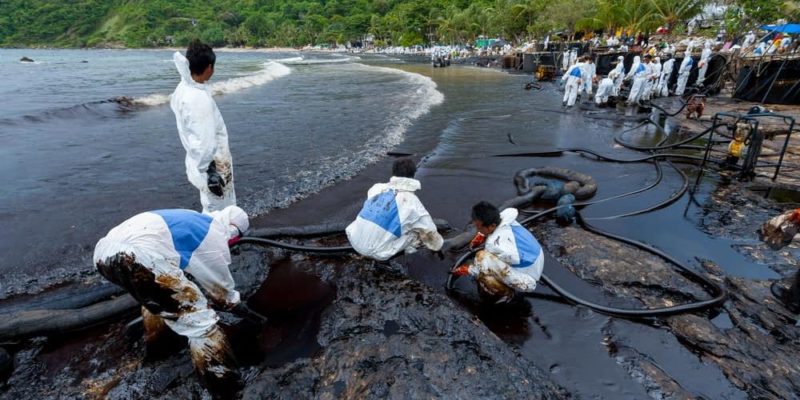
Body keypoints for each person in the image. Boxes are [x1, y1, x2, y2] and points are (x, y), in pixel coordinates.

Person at [93, 206, 251, 399]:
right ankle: (223, 387)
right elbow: (220, 287)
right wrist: (235, 304)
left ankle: (159, 347)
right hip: (138, 256)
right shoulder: (213, 233)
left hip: (103, 253)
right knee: (202, 324)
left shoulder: (191, 218)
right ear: (234, 230)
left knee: (155, 298)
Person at [170, 41, 236, 214]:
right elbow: (204, 142)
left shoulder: (184, 88)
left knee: (212, 205)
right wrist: (209, 171)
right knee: (219, 209)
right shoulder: (198, 99)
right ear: (208, 68)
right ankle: (223, 239)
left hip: (198, 161)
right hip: (213, 166)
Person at [346, 158, 443, 262]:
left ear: (393, 173)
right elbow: (430, 234)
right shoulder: (414, 204)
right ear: (413, 175)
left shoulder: (376, 188)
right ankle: (405, 253)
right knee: (417, 232)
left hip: (353, 237)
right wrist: (438, 248)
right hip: (377, 253)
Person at [452, 202, 544, 303]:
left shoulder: (495, 245)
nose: (477, 229)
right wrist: (482, 235)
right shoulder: (505, 217)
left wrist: (468, 269)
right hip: (537, 258)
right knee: (487, 260)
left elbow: (485, 266)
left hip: (527, 280)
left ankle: (506, 295)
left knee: (483, 262)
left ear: (492, 225)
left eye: (479, 228)